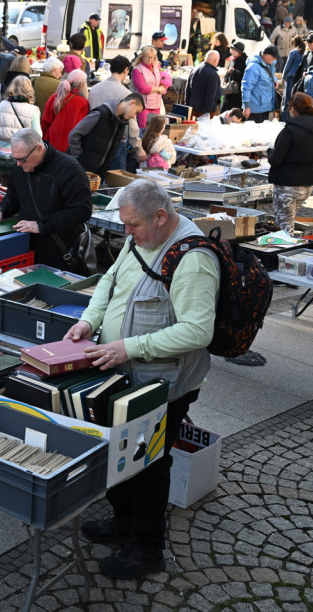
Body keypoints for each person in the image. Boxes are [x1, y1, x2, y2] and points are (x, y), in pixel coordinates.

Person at [69, 177, 219, 579]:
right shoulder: (143, 237)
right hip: (125, 373)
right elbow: (108, 280)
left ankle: (147, 547)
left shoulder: (194, 259)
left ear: (160, 215)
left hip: (163, 384)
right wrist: (88, 321)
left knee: (149, 463)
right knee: (119, 449)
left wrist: (127, 348)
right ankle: (124, 522)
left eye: (133, 226)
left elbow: (197, 332)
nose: (127, 234)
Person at [0, 128, 92, 273]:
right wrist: (1, 210)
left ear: (39, 149)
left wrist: (42, 225)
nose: (18, 164)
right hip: (25, 248)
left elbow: (82, 211)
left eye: (22, 159)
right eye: (14, 158)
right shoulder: (19, 166)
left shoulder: (70, 169)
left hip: (58, 252)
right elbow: (13, 196)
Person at [268, 93, 313, 233]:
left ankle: (283, 253)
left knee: (284, 229)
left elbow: (275, 160)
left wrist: (269, 152)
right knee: (288, 223)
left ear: (293, 109)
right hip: (306, 185)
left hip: (287, 186)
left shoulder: (289, 131)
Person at [88, 55, 144, 168]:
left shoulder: (94, 89)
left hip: (94, 140)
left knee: (94, 180)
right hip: (116, 143)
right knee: (114, 182)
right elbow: (131, 126)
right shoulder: (126, 95)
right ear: (126, 70)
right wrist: (138, 148)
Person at [68, 93, 144, 176]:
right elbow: (74, 135)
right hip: (80, 169)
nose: (134, 116)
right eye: (136, 112)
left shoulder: (121, 121)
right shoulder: (101, 113)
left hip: (95, 172)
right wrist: (79, 159)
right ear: (132, 102)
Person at [0, 75, 42, 187]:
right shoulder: (32, 110)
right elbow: (38, 135)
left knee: (4, 186)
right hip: (20, 157)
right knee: (20, 187)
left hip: (0, 154)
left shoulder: (1, 105)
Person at [41, 69, 88, 154]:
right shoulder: (83, 103)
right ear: (81, 85)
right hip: (69, 146)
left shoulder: (55, 97)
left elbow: (45, 121)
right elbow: (82, 129)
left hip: (52, 141)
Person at [130, 46, 171, 129]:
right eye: (147, 57)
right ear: (142, 57)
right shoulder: (137, 70)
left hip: (156, 104)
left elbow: (164, 80)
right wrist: (158, 89)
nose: (149, 60)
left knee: (155, 129)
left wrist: (164, 87)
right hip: (143, 106)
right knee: (144, 128)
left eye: (151, 57)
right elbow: (143, 88)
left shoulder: (157, 67)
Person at [241, 45, 279, 122]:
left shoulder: (269, 62)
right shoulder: (253, 67)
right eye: (273, 57)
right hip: (255, 110)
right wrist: (247, 107)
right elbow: (246, 87)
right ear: (266, 55)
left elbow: (271, 74)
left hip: (266, 107)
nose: (275, 59)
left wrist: (275, 80)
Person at [185, 50, 221, 118]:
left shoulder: (195, 69)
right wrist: (207, 112)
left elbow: (187, 89)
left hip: (192, 107)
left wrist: (187, 104)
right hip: (204, 110)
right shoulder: (213, 74)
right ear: (215, 60)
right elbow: (211, 95)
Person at [221, 41, 248, 113]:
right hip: (229, 90)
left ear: (238, 51)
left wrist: (234, 72)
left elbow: (245, 77)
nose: (230, 51)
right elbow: (229, 70)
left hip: (237, 93)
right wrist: (226, 77)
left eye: (232, 50)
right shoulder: (232, 59)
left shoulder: (245, 61)